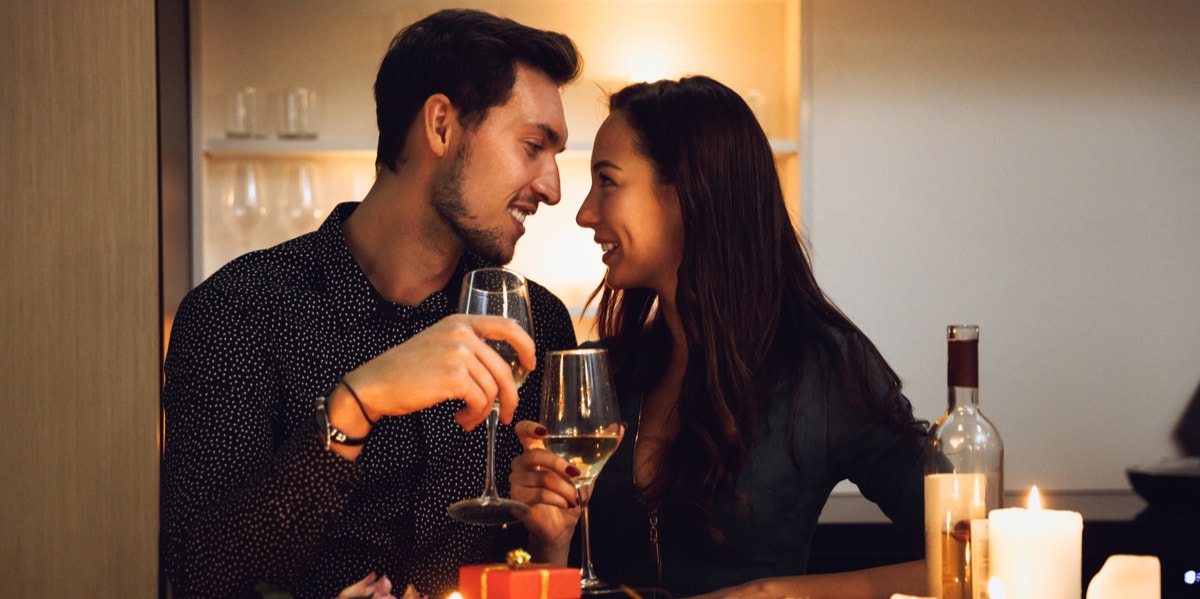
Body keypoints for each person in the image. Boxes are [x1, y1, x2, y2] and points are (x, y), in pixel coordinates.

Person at [162, 9, 581, 598]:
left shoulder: (537, 327)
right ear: (440, 126)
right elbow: (193, 576)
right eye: (534, 146)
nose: (554, 188)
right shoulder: (238, 311)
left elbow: (553, 575)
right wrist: (355, 406)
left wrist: (550, 541)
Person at [510, 76, 930, 599]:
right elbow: (563, 582)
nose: (584, 212)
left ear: (687, 192)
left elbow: (973, 549)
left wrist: (772, 594)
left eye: (608, 181)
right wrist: (549, 544)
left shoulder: (824, 368)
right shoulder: (609, 371)